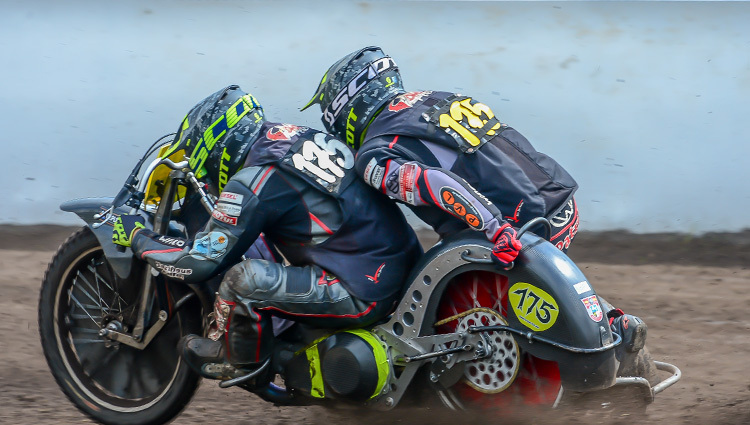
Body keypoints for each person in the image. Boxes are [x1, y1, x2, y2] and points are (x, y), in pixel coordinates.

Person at [301, 47, 645, 348]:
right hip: (557, 201)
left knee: (444, 302)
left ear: (347, 103)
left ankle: (560, 367)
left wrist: (496, 228)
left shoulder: (375, 153)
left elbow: (435, 182)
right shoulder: (435, 98)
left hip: (515, 225)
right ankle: (613, 324)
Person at [112, 84, 423, 382]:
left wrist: (139, 237)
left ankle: (241, 364)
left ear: (219, 145)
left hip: (362, 289)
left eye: (204, 163)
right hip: (401, 264)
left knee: (242, 280)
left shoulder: (252, 179)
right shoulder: (296, 137)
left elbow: (200, 262)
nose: (205, 174)